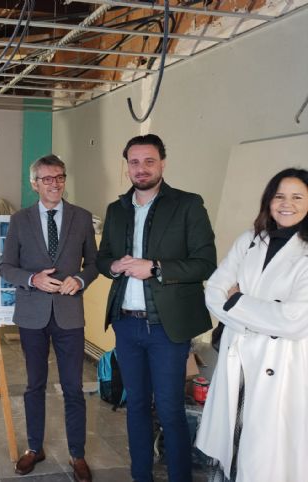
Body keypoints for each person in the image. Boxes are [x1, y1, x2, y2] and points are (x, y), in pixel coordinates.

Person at [96, 134, 216, 482]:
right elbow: (103, 259)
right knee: (135, 405)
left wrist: (156, 267)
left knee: (169, 409)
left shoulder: (188, 205)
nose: (141, 168)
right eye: (134, 162)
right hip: (126, 324)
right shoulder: (116, 209)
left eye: (149, 161)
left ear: (162, 163)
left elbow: (205, 263)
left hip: (167, 326)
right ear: (127, 167)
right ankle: (141, 476)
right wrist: (114, 266)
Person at [196, 168, 308, 482]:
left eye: (297, 197)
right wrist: (262, 313)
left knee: (267, 454)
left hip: (281, 365)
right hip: (238, 357)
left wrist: (237, 301)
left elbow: (296, 319)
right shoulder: (250, 240)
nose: (286, 204)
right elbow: (214, 292)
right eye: (279, 196)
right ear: (268, 201)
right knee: (233, 438)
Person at [0, 154, 98, 482]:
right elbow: (6, 267)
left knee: (73, 387)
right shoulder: (20, 220)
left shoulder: (82, 217)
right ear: (34, 184)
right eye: (47, 179)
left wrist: (80, 279)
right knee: (34, 385)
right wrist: (33, 279)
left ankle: (77, 454)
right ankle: (34, 447)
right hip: (32, 314)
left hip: (69, 314)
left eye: (59, 177)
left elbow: (94, 263)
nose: (54, 184)